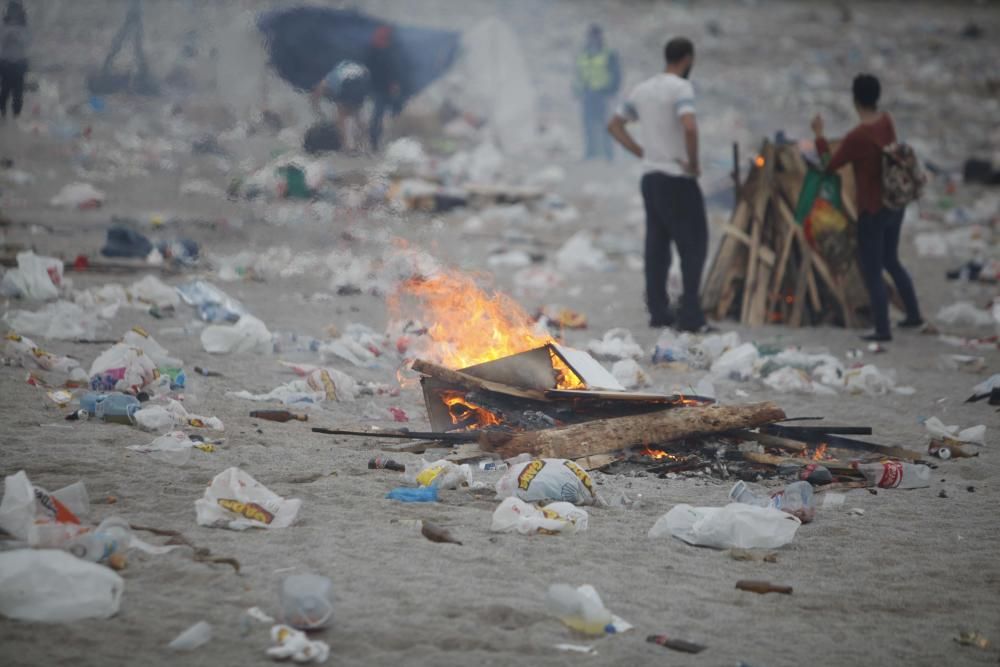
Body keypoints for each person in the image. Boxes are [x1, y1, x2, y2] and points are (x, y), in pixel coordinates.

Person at [608, 37, 710, 332]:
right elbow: (689, 125)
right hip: (677, 179)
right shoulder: (681, 88)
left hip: (650, 179)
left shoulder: (643, 89)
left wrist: (641, 152)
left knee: (657, 247)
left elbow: (614, 125)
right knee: (694, 245)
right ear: (687, 59)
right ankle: (690, 315)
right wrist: (692, 162)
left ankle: (658, 312)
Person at [811, 74, 923, 342]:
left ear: (854, 99)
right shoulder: (886, 122)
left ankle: (882, 330)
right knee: (891, 260)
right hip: (894, 203)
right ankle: (914, 315)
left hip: (872, 209)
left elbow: (828, 165)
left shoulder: (857, 137)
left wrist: (819, 137)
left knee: (872, 269)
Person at [574, 25, 620, 161]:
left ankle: (609, 154)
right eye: (591, 36)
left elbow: (616, 74)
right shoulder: (583, 54)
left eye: (596, 36)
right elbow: (578, 74)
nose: (593, 39)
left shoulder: (609, 54)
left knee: (606, 125)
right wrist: (577, 91)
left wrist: (611, 91)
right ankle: (590, 153)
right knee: (588, 125)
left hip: (603, 94)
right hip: (587, 94)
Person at [311, 60, 371, 153]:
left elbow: (319, 90)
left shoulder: (331, 76)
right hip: (362, 83)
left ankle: (346, 147)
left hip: (348, 84)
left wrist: (316, 108)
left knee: (341, 118)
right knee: (358, 115)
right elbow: (366, 73)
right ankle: (365, 145)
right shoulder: (354, 66)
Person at [365, 25, 403, 151]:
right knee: (380, 114)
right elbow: (391, 69)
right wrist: (394, 84)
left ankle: (377, 141)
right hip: (382, 88)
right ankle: (375, 141)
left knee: (379, 114)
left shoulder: (373, 50)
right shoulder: (385, 51)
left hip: (379, 87)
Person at [0, 0, 29, 120]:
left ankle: (16, 115)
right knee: (5, 89)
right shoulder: (3, 25)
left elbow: (27, 42)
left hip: (20, 62)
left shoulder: (24, 26)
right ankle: (3, 112)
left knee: (18, 91)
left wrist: (17, 36)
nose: (14, 14)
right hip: (6, 62)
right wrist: (8, 35)